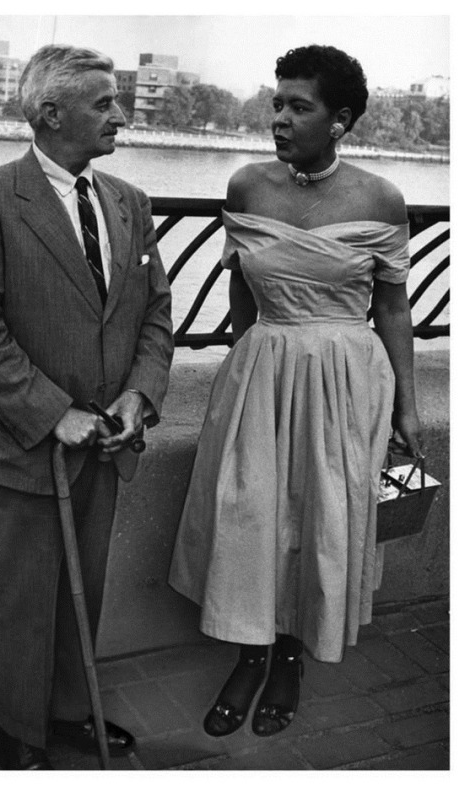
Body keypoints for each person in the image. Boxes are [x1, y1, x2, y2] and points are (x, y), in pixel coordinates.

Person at [169, 44, 423, 739]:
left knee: (319, 518)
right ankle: (249, 653)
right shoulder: (247, 187)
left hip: (345, 381)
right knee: (250, 514)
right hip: (262, 371)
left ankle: (288, 658)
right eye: (277, 102)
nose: (278, 117)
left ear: (340, 120)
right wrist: (245, 366)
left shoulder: (380, 198)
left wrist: (407, 404)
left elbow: (392, 306)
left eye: (298, 107)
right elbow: (240, 291)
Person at [0, 44, 173, 769]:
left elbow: (155, 313)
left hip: (107, 442)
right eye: (104, 102)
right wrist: (54, 413)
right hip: (24, 447)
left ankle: (72, 713)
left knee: (88, 585)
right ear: (50, 113)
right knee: (21, 596)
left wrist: (139, 395)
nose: (121, 114)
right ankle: (19, 730)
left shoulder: (128, 201)